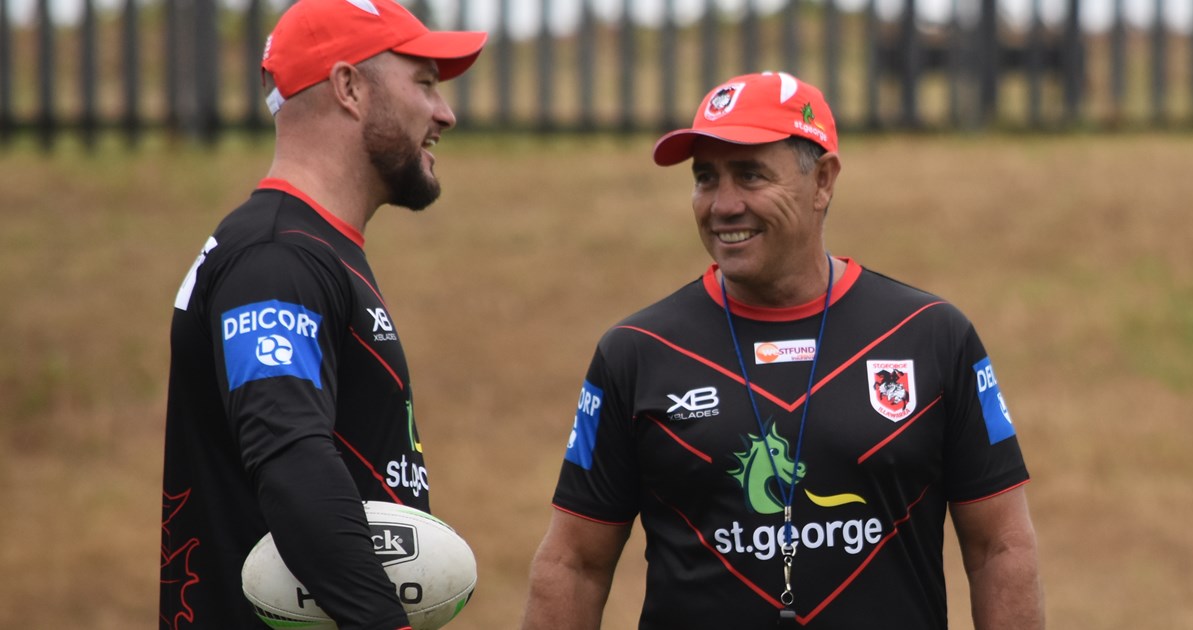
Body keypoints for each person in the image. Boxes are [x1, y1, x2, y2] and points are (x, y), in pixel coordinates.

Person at [522, 71, 1043, 629]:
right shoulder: (636, 353)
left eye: (750, 175)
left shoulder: (931, 336)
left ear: (823, 181)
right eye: (705, 178)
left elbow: (1000, 548)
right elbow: (574, 564)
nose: (723, 205)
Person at [158, 1, 484, 628]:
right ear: (349, 87)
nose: (445, 112)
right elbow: (291, 460)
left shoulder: (310, 249)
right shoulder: (278, 259)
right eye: (424, 83)